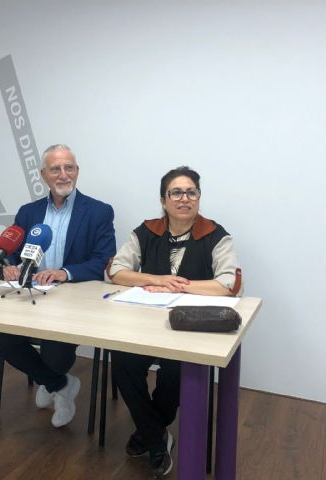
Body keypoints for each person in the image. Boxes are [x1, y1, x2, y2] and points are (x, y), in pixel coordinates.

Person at [106, 166, 242, 478]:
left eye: (191, 192)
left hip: (189, 329)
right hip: (144, 325)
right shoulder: (146, 231)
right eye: (176, 192)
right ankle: (156, 435)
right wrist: (156, 279)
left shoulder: (216, 235)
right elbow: (116, 271)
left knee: (177, 370)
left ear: (199, 197)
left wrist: (180, 286)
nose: (184, 198)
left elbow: (228, 284)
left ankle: (149, 432)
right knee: (123, 361)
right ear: (163, 200)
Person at [0, 144, 116, 428]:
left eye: (69, 168)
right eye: (56, 169)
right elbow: (10, 252)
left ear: (77, 171)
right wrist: (7, 266)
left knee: (55, 353)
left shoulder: (98, 211)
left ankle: (52, 380)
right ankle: (60, 385)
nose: (63, 174)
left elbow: (104, 261)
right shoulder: (28, 212)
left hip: (74, 303)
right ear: (43, 175)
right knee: (1, 339)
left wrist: (64, 273)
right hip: (31, 298)